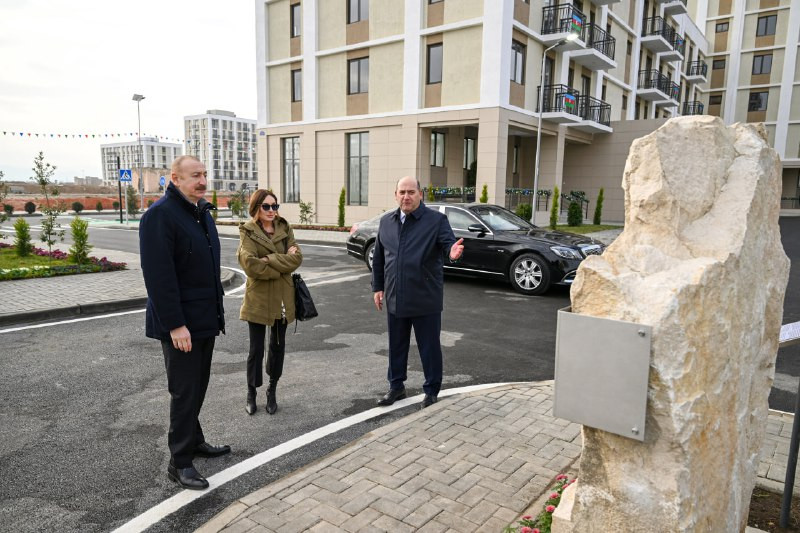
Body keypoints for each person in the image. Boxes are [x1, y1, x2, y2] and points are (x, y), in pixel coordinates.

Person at [139, 155, 230, 491]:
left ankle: (194, 440)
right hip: (182, 325)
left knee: (198, 386)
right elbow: (159, 276)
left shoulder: (200, 212)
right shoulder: (160, 216)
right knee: (184, 391)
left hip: (205, 318)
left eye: (204, 174)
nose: (202, 181)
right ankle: (179, 462)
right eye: (195, 175)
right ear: (175, 179)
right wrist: (176, 324)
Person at [371, 176, 464, 408]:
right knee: (396, 345)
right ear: (395, 195)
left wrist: (452, 253)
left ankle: (431, 390)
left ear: (420, 195)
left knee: (429, 347)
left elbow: (448, 245)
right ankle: (396, 387)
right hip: (395, 296)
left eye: (411, 192)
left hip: (425, 298)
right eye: (402, 192)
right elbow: (380, 258)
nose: (406, 196)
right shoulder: (386, 222)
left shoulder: (436, 221)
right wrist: (378, 287)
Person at [237, 189, 302, 416]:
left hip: (282, 297)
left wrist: (269, 258)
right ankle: (251, 392)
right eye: (266, 206)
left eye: (275, 206)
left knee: (277, 346)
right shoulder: (248, 230)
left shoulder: (284, 227)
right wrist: (281, 266)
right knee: (255, 349)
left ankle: (272, 390)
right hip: (258, 297)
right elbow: (250, 265)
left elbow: (297, 258)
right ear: (256, 208)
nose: (272, 210)